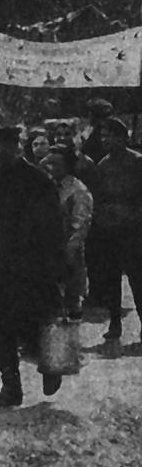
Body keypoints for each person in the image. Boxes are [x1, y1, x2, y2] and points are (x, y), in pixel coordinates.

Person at [0, 126, 66, 407]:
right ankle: (11, 387)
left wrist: (57, 268)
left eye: (3, 147)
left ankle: (50, 366)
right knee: (1, 328)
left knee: (38, 322)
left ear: (15, 147)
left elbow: (53, 228)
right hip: (1, 269)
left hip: (35, 267)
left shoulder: (39, 181)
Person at [90, 117, 142, 341]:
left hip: (134, 230)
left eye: (110, 135)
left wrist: (133, 217)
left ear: (123, 137)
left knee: (138, 279)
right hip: (110, 231)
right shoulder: (103, 165)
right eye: (103, 136)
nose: (105, 140)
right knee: (110, 280)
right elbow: (98, 198)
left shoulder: (137, 162)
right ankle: (114, 322)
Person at [43, 145, 93, 317]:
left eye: (56, 164)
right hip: (47, 247)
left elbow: (81, 223)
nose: (51, 168)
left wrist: (70, 248)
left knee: (71, 296)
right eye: (49, 163)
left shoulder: (77, 190)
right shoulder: (45, 186)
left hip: (68, 249)